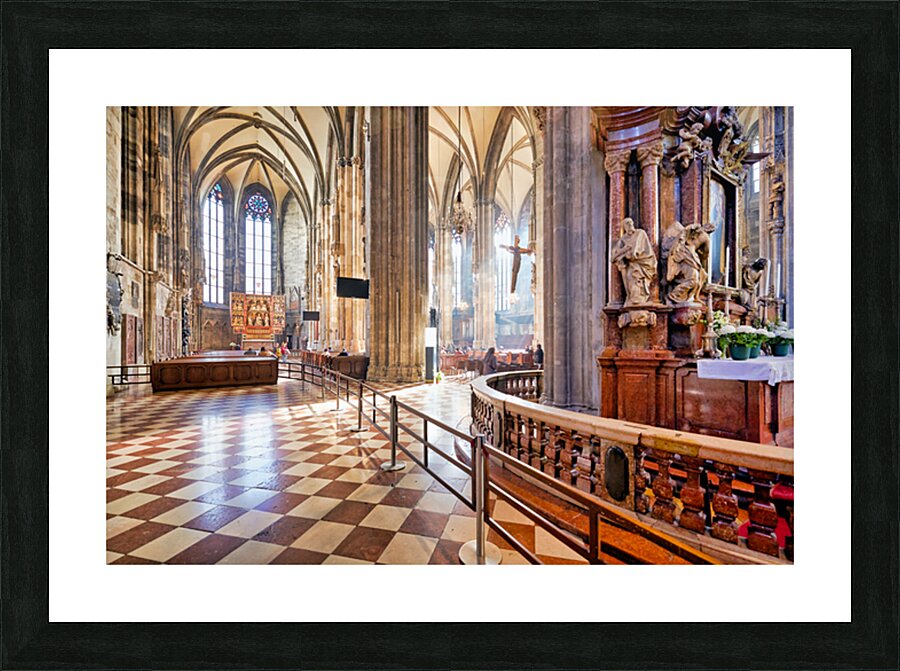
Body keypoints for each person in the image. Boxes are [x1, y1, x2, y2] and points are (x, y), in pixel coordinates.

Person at [611, 217, 657, 306]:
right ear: (624, 227)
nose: (629, 225)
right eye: (627, 224)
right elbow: (613, 257)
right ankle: (632, 299)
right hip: (631, 266)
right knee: (630, 279)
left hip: (644, 264)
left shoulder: (640, 233)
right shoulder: (623, 239)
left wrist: (625, 253)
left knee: (638, 282)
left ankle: (640, 298)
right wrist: (623, 252)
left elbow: (635, 252)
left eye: (630, 223)